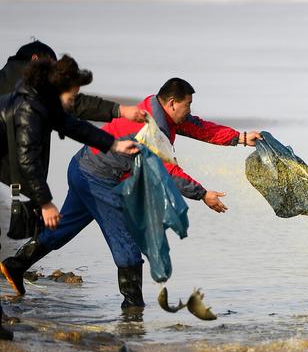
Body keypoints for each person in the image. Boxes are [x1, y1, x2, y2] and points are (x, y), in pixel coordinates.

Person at [1, 77, 261, 310]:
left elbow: (197, 127)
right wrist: (203, 194)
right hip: (98, 178)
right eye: (187, 105)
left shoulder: (154, 107)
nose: (190, 111)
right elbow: (168, 171)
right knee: (126, 245)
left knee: (64, 228)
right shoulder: (152, 128)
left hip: (82, 166)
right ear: (172, 103)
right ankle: (133, 309)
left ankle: (15, 266)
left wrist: (239, 137)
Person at [0, 55, 139, 341]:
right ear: (58, 87)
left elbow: (77, 127)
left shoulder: (44, 103)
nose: (75, 99)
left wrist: (113, 143)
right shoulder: (29, 110)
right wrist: (46, 202)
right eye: (74, 95)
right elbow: (27, 162)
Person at [0, 39, 146, 122]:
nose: (53, 74)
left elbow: (73, 127)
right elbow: (76, 104)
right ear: (35, 59)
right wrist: (119, 110)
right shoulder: (36, 88)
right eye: (50, 66)